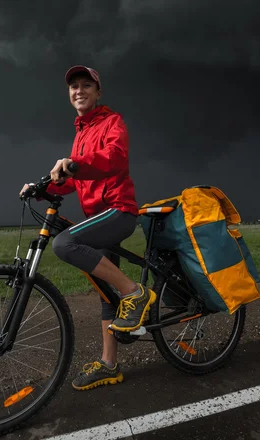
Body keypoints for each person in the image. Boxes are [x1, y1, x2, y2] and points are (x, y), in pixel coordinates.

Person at [20, 65, 156, 391]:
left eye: (85, 86)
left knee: (64, 244)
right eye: (73, 87)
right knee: (104, 292)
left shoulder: (112, 122)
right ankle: (110, 365)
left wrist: (75, 165)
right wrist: (43, 190)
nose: (78, 91)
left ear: (98, 92)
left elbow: (114, 159)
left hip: (118, 212)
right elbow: (72, 180)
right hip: (97, 218)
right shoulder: (80, 133)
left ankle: (136, 293)